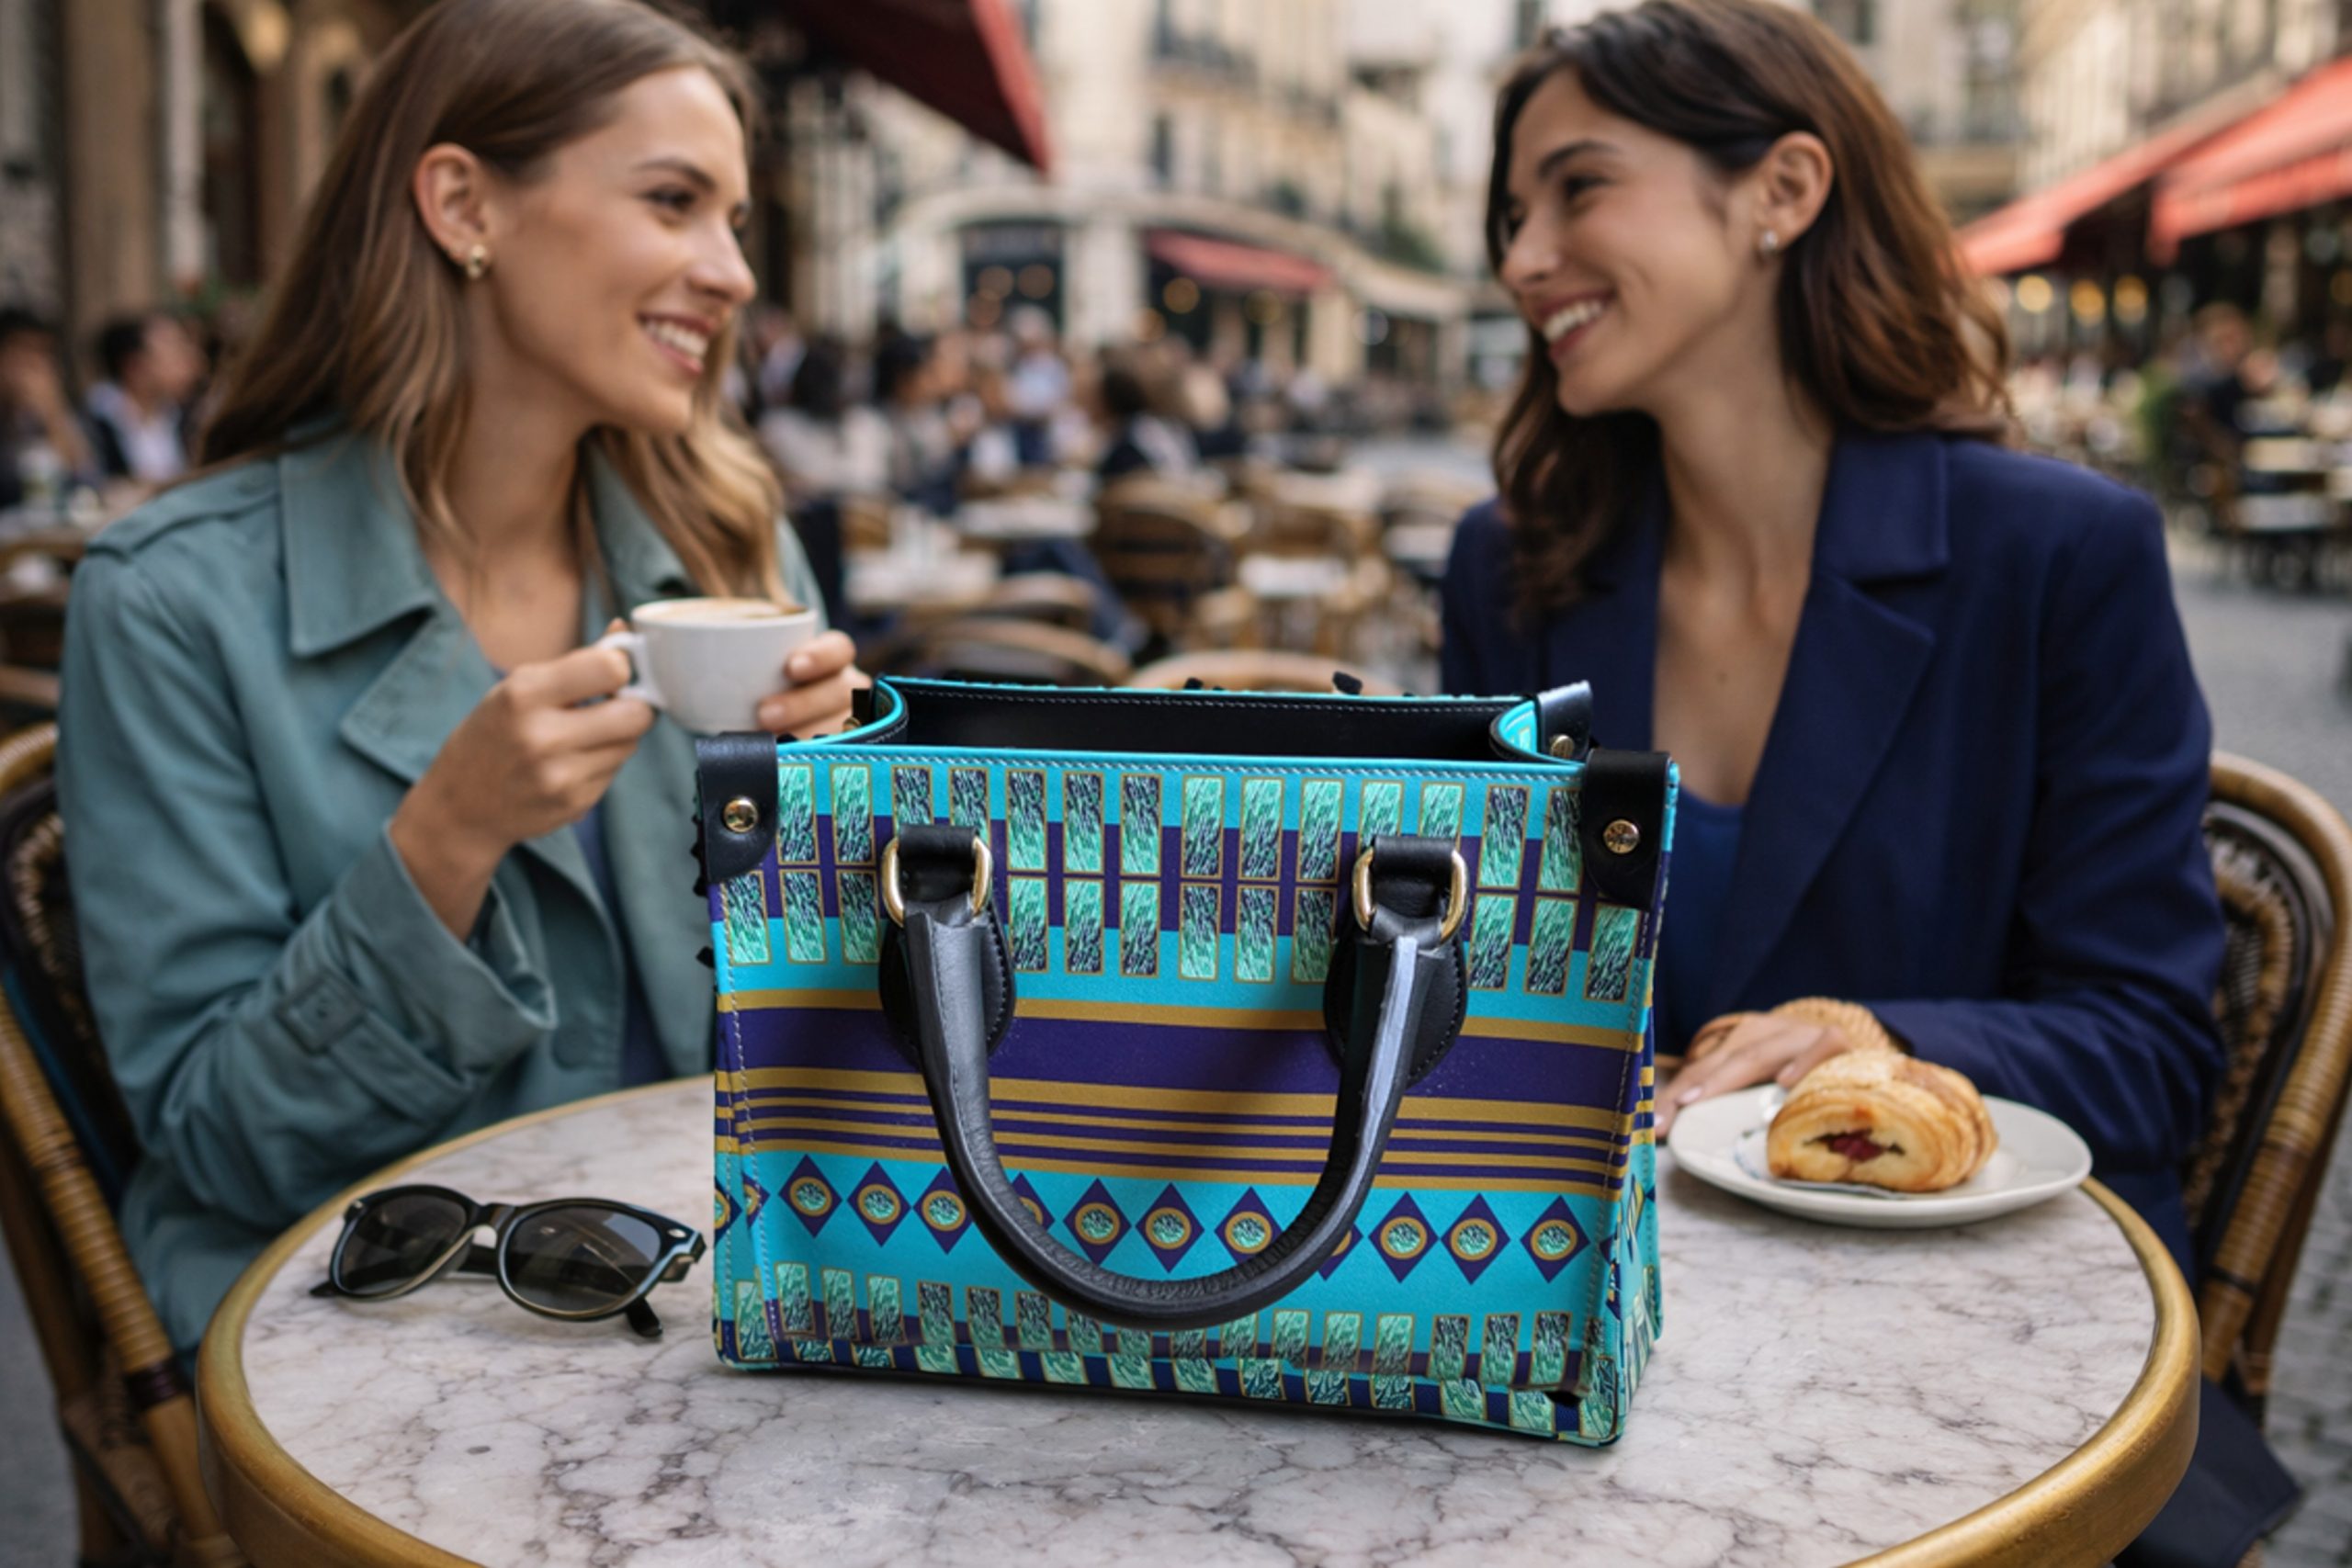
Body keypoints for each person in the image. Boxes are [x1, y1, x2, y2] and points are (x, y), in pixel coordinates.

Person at [1443, 5, 2282, 1556]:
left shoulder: (2055, 558)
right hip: (1594, 1351)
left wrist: (1880, 1043)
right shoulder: (1517, 571)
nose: (1521, 257)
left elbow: (2157, 1044)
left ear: (1782, 191)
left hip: (1972, 1371)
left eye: (1575, 188)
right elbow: (1484, 995)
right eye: (1510, 215)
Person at [57, 0, 863, 1356]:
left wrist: (841, 807)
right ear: (461, 203)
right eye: (674, 201)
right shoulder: (172, 601)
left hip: (705, 1292)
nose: (730, 272)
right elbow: (221, 1142)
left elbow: (836, 1057)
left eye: (731, 218)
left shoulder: (726, 547)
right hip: (369, 1322)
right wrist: (447, 840)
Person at [85, 310, 206, 486]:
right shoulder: (96, 419)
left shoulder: (184, 414)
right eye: (174, 349)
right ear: (135, 366)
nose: (190, 359)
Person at [0, 306, 97, 509]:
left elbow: (87, 482)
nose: (37, 366)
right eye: (25, 352)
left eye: (45, 354)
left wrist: (54, 413)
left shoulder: (35, 413)